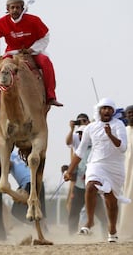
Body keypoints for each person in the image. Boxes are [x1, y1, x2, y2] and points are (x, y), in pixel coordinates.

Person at [0, 0, 63, 116]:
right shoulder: (2, 22)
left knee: (46, 62)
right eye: (12, 8)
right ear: (7, 9)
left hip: (32, 52)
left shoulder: (33, 20)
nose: (15, 10)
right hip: (12, 54)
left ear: (22, 9)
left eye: (17, 7)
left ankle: (51, 96)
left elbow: (45, 37)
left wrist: (32, 49)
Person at [64, 98, 129, 243]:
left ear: (113, 111)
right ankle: (89, 222)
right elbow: (79, 152)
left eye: (109, 108)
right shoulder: (90, 127)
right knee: (91, 186)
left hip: (114, 166)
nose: (106, 111)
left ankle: (112, 229)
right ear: (99, 111)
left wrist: (110, 135)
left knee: (111, 201)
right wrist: (70, 171)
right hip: (96, 164)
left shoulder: (118, 125)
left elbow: (123, 147)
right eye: (103, 108)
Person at [66, 125, 107, 237]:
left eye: (82, 134)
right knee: (73, 213)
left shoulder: (96, 150)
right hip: (79, 187)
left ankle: (106, 235)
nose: (80, 136)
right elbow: (75, 166)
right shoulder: (78, 151)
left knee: (102, 215)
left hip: (93, 189)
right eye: (79, 134)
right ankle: (72, 236)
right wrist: (68, 171)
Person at [9, 150, 48, 231]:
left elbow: (9, 165)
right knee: (41, 212)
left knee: (16, 211)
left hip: (28, 183)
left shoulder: (7, 156)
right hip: (38, 181)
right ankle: (44, 231)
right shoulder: (17, 153)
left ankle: (37, 227)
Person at [119, 105, 133, 240]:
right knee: (127, 200)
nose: (131, 115)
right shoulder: (123, 131)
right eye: (129, 113)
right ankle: (126, 231)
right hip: (126, 172)